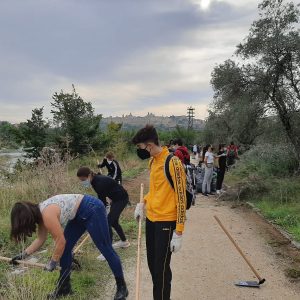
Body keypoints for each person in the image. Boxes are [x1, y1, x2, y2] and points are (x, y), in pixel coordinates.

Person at [10, 194, 128, 300]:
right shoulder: (40, 215)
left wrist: (53, 261)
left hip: (92, 208)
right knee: (65, 251)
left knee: (105, 248)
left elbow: (61, 241)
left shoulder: (46, 214)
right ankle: (64, 288)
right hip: (77, 214)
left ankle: (122, 288)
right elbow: (40, 239)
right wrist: (23, 255)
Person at [132, 125, 187, 300]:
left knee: (161, 269)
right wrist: (143, 202)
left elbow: (181, 198)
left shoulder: (173, 162)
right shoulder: (152, 161)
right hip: (151, 219)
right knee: (152, 265)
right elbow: (155, 190)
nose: (140, 151)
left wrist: (178, 231)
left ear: (149, 145)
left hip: (166, 222)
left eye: (140, 147)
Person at [77, 167, 130, 256]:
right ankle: (124, 242)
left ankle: (108, 252)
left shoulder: (98, 183)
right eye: (81, 180)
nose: (83, 182)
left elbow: (102, 202)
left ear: (89, 175)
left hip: (121, 199)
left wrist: (99, 214)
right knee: (113, 222)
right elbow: (102, 199)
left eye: (83, 180)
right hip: (115, 199)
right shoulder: (94, 181)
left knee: (107, 223)